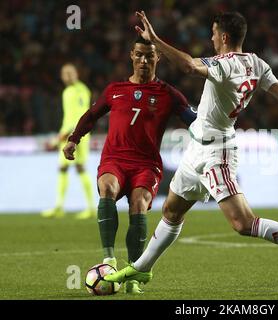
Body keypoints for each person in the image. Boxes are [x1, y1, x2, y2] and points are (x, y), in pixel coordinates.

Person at [105, 11, 278, 286]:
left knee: (243, 223)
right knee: (171, 211)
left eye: (213, 33)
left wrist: (155, 39)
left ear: (224, 37)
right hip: (197, 151)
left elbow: (189, 66)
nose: (211, 38)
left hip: (217, 154)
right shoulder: (257, 64)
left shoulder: (222, 64)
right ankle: (142, 268)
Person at [62, 36, 196, 294]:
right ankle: (109, 259)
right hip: (115, 159)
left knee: (139, 203)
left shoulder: (168, 94)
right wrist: (74, 140)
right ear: (131, 56)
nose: (144, 60)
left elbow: (194, 121)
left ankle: (133, 273)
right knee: (107, 187)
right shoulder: (115, 89)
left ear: (158, 58)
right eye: (139, 55)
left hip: (146, 164)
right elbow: (91, 115)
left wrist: (213, 134)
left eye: (149, 56)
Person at [41, 63, 96, 220]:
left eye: (71, 72)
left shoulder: (78, 91)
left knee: (80, 167)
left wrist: (65, 135)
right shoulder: (72, 91)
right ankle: (59, 206)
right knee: (63, 168)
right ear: (62, 76)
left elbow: (79, 115)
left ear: (76, 74)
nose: (68, 76)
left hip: (76, 135)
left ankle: (91, 207)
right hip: (68, 134)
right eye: (65, 73)